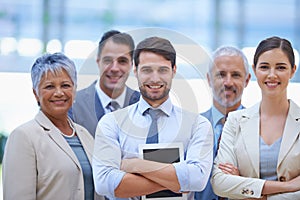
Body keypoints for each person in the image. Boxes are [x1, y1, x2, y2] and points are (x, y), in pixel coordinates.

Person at [92, 36, 213, 200]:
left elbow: (197, 179)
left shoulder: (197, 125)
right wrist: (178, 181)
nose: (155, 79)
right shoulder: (111, 123)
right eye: (147, 70)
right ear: (135, 71)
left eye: (163, 70)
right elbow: (104, 184)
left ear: (174, 70)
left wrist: (135, 165)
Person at [2, 53, 104, 200]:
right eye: (49, 86)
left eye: (65, 85)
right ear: (36, 93)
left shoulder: (84, 134)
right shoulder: (23, 136)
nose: (58, 92)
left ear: (74, 90)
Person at [211, 36, 300, 199]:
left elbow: (232, 187)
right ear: (255, 70)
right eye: (264, 67)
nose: (272, 75)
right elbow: (219, 183)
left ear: (293, 70)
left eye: (280, 67)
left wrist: (244, 187)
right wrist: (287, 186)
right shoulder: (235, 121)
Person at [195, 46, 251, 200]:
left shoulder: (260, 128)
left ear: (247, 80)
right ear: (209, 79)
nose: (228, 82)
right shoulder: (190, 127)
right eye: (221, 75)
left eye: (236, 75)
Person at [69, 30, 140, 137]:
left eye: (122, 61)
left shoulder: (143, 104)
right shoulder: (74, 105)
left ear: (131, 65)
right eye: (108, 60)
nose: (115, 68)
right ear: (98, 61)